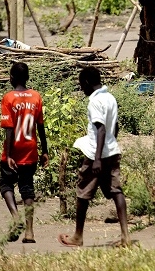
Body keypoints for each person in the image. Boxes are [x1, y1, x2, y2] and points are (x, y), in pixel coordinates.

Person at [58, 67, 130, 248]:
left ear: (88, 83)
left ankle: (78, 236)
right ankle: (125, 236)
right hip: (112, 151)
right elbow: (115, 126)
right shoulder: (110, 98)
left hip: (94, 154)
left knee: (82, 194)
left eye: (82, 85)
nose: (82, 89)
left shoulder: (95, 101)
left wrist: (97, 158)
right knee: (116, 191)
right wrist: (111, 144)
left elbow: (101, 129)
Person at [0, 61, 49, 243]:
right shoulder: (36, 97)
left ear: (11, 78)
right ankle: (29, 232)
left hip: (14, 150)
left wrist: (10, 155)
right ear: (27, 78)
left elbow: (9, 129)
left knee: (5, 184)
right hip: (31, 150)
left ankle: (15, 217)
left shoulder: (9, 98)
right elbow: (41, 126)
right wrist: (45, 151)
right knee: (27, 188)